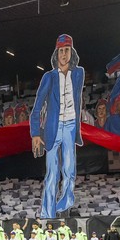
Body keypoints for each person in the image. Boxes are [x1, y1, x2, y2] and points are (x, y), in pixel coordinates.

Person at [30, 34, 85, 219]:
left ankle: (66, 201)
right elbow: (37, 107)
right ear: (56, 53)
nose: (63, 54)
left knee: (69, 170)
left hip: (70, 125)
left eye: (66, 50)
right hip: (53, 129)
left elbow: (78, 98)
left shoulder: (79, 73)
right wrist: (35, 133)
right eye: (61, 51)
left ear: (71, 52)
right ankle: (47, 214)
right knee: (52, 174)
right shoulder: (49, 77)